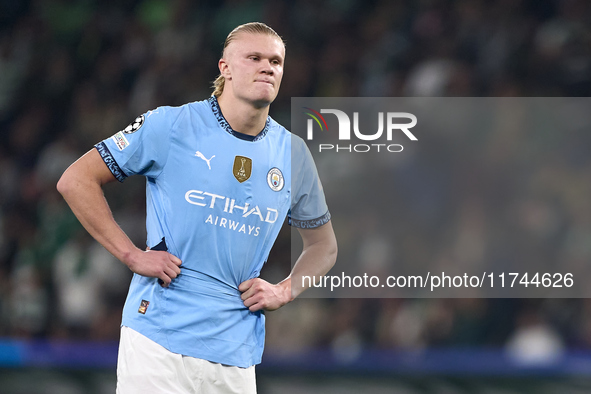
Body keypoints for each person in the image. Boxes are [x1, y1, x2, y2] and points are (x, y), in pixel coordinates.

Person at [57, 22, 337, 393]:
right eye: (253, 58)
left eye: (275, 61)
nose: (267, 67)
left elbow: (323, 245)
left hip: (235, 350)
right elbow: (76, 180)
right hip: (158, 339)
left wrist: (285, 290)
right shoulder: (171, 125)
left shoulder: (293, 154)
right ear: (225, 68)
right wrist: (130, 254)